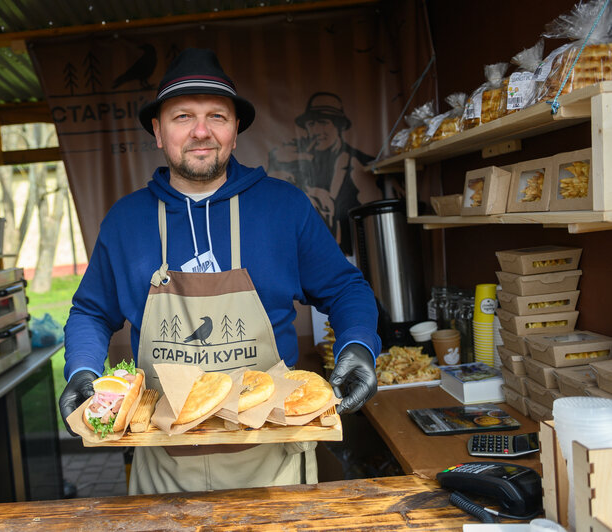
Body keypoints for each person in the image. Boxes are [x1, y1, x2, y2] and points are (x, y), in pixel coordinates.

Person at [59, 48, 380, 495]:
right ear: (157, 130)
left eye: (217, 116)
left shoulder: (283, 207)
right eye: (182, 116)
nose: (201, 131)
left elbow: (346, 289)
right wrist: (81, 371)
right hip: (162, 460)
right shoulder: (125, 221)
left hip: (273, 458)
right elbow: (91, 312)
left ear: (234, 131)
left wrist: (359, 346)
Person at [268, 92, 381, 255]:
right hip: (310, 259)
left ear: (339, 126)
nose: (316, 130)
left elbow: (372, 218)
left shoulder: (358, 162)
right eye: (311, 124)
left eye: (323, 122)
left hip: (353, 256)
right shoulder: (296, 161)